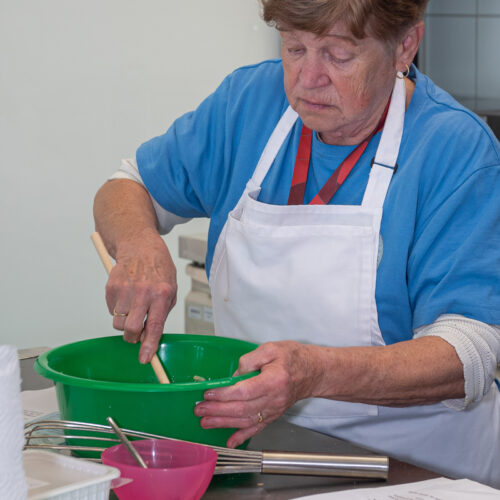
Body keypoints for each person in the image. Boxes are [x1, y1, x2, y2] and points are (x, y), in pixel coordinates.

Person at [93, 0, 500, 487]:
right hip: (255, 458)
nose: (308, 79)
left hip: (419, 471)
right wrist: (138, 244)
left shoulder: (454, 149)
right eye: (294, 48)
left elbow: (468, 354)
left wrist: (315, 372)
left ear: (404, 47)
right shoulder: (250, 102)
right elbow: (129, 185)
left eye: (338, 55)